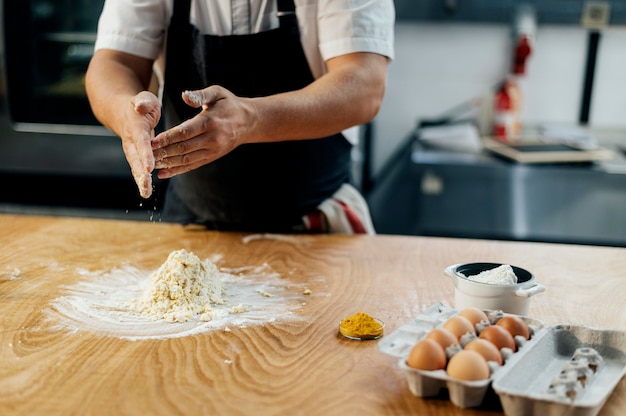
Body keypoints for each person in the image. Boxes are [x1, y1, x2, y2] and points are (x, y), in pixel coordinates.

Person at [86, 0, 394, 234]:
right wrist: (128, 115)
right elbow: (116, 61)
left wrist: (251, 119)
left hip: (318, 224)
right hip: (190, 223)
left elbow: (364, 84)